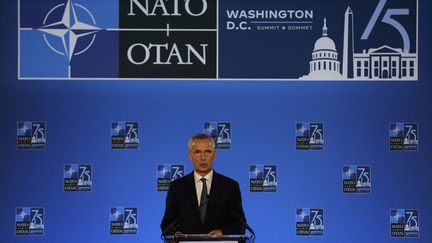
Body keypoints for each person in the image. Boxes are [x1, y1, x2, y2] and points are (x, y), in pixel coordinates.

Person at [161, 134, 247, 236]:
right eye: (197, 152)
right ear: (190, 156)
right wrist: (176, 234)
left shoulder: (230, 186)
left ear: (214, 155)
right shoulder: (177, 187)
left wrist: (222, 232)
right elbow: (167, 224)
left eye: (208, 152)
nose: (203, 158)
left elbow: (240, 225)